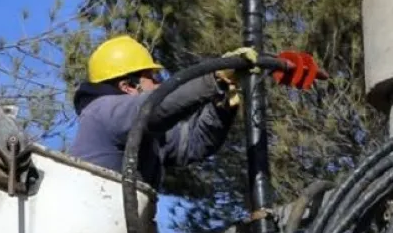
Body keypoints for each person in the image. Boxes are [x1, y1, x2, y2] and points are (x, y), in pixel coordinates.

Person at [69, 34, 256, 188]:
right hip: (100, 224)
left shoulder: (146, 131)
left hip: (124, 226)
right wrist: (213, 78)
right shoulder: (104, 111)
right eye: (152, 78)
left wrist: (219, 107)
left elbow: (192, 142)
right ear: (128, 86)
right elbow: (155, 107)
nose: (159, 84)